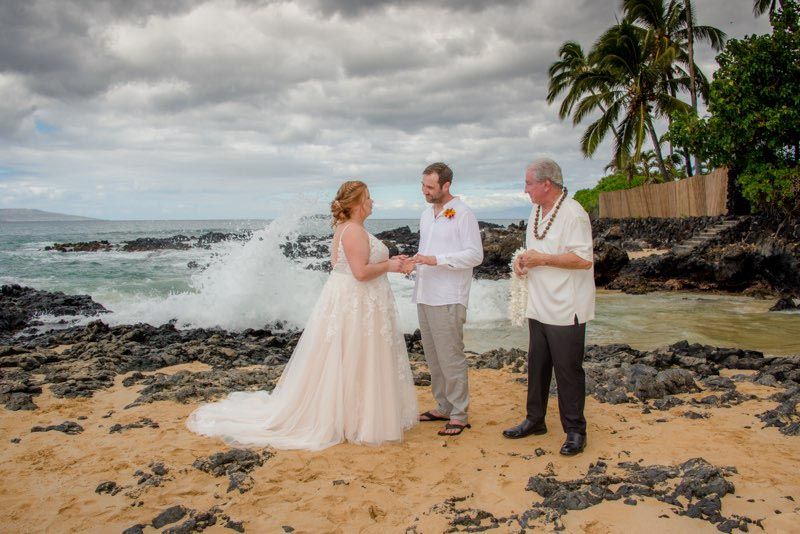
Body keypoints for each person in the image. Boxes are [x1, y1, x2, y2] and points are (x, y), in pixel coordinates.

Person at [187, 181, 418, 450]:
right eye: (367, 198)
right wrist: (390, 265)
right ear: (355, 204)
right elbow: (360, 273)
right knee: (356, 354)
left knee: (354, 356)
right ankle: (356, 419)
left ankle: (354, 416)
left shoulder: (349, 229)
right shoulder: (353, 230)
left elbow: (343, 267)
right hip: (357, 301)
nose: (372, 202)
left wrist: (393, 264)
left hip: (353, 300)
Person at [502, 157, 595, 456]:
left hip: (567, 306)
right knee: (537, 365)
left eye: (529, 183)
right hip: (538, 303)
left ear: (546, 184)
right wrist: (523, 262)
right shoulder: (535, 211)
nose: (525, 189)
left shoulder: (573, 213)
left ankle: (575, 431)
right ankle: (535, 419)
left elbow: (583, 260)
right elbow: (534, 250)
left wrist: (543, 259)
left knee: (568, 371)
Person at [408, 162, 483, 436]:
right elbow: (425, 251)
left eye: (430, 187)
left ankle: (459, 413)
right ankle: (443, 406)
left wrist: (436, 260)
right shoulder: (426, 215)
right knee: (433, 356)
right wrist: (413, 263)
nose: (424, 191)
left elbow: (476, 255)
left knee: (451, 356)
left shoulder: (464, 214)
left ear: (446, 185)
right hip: (424, 293)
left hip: (449, 296)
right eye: (423, 185)